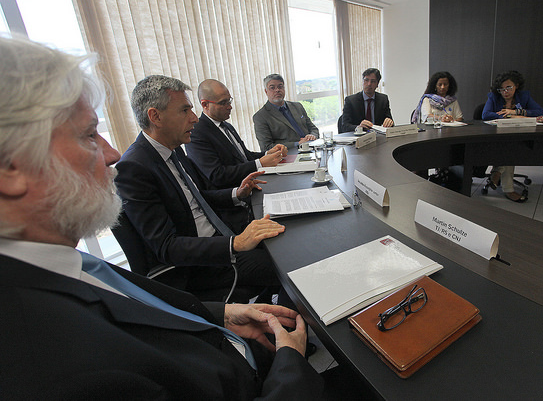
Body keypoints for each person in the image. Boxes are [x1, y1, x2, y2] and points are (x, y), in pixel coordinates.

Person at [0, 36, 322, 399]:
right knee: (293, 257)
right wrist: (291, 362)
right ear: (11, 167)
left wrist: (221, 314)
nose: (110, 153)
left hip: (225, 329)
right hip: (210, 284)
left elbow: (196, 204)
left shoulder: (74, 266)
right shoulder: (50, 353)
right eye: (90, 135)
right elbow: (165, 247)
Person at [115, 75, 285, 299]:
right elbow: (166, 247)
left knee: (284, 242)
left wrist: (237, 193)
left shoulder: (173, 148)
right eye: (185, 110)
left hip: (219, 238)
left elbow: (197, 199)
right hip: (199, 265)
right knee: (285, 265)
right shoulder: (134, 168)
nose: (194, 119)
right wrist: (236, 243)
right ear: (155, 116)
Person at [186, 79, 288, 187]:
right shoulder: (196, 133)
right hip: (234, 193)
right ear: (205, 104)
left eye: (229, 101)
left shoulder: (226, 126)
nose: (230, 106)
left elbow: (244, 156)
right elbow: (217, 175)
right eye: (223, 103)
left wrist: (268, 153)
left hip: (252, 183)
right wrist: (260, 163)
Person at [482, 70, 543, 202]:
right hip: (498, 137)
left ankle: (498, 172)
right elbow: (485, 115)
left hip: (520, 136)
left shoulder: (524, 97)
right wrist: (508, 115)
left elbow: (540, 112)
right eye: (502, 89)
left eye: (509, 87)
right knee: (508, 149)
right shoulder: (493, 97)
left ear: (516, 86)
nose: (505, 92)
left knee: (510, 148)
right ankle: (508, 189)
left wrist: (517, 111)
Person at [253, 74, 319, 152]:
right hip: (289, 155)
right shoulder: (260, 116)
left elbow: (313, 128)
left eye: (280, 86)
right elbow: (266, 147)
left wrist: (312, 135)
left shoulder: (297, 106)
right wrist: (297, 143)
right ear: (266, 91)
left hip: (311, 148)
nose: (277, 90)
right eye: (272, 88)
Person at [341, 68, 394, 132]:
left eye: (373, 81)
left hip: (377, 136)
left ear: (377, 84)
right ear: (362, 81)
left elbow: (390, 121)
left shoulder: (383, 99)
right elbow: (344, 126)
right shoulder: (351, 100)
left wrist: (389, 122)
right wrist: (359, 127)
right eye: (366, 80)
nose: (369, 84)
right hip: (358, 137)